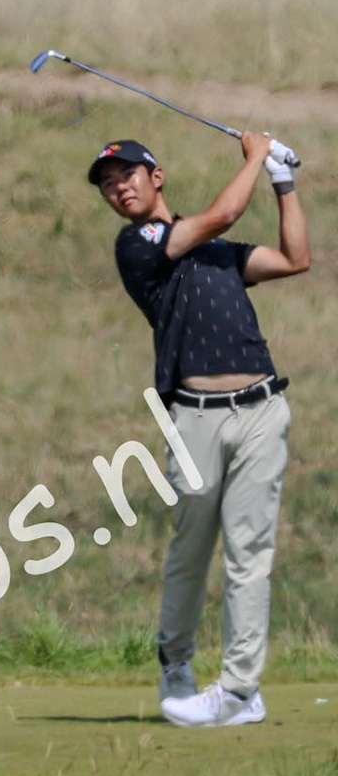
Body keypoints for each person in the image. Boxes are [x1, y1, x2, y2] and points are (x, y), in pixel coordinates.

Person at [90, 130, 311, 727]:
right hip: (193, 419)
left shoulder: (219, 252)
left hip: (262, 409)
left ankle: (240, 691)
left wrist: (284, 182)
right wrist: (258, 154)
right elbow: (225, 210)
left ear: (155, 176)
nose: (119, 190)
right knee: (191, 549)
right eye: (109, 186)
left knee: (249, 554)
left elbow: (295, 258)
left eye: (127, 176)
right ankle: (176, 662)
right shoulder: (139, 246)